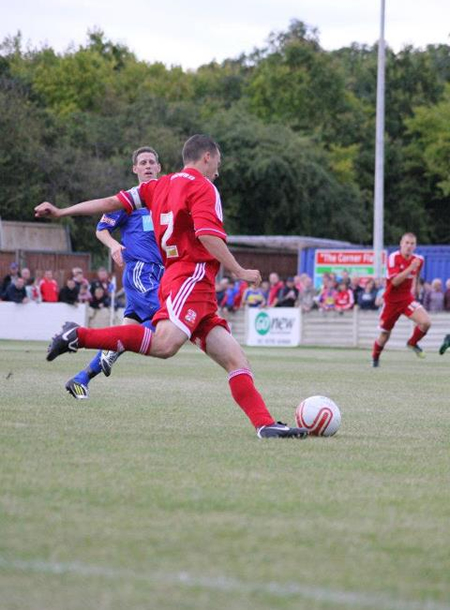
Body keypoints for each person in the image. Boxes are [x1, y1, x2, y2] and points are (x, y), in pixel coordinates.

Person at [35, 134, 307, 439]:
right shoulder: (203, 186)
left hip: (188, 283)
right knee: (164, 344)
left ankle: (265, 425)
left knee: (236, 359)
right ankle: (78, 336)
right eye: (217, 161)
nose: (218, 169)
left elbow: (110, 203)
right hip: (190, 277)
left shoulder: (158, 186)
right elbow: (207, 235)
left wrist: (62, 211)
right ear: (206, 157)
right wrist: (239, 270)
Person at [66, 146, 164, 400]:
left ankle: (81, 379)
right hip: (141, 272)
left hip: (161, 274)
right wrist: (113, 246)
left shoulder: (166, 199)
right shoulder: (128, 201)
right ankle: (94, 345)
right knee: (166, 320)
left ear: (160, 167)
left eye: (152, 162)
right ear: (135, 169)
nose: (148, 166)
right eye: (142, 162)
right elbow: (101, 229)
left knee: (127, 331)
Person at [372, 233, 431, 367]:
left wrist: (414, 288)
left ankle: (412, 343)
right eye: (407, 243)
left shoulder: (419, 260)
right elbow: (395, 281)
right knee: (385, 335)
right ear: (401, 244)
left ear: (415, 246)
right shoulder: (393, 258)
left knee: (426, 322)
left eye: (412, 243)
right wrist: (411, 267)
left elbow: (416, 274)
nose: (409, 246)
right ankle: (375, 358)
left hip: (406, 300)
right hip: (391, 301)